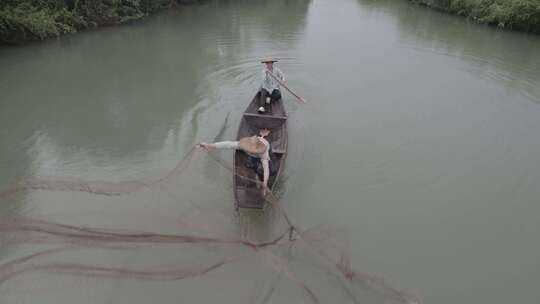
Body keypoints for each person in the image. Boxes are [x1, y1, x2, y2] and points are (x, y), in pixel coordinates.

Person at [196, 128, 273, 194]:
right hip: (254, 156)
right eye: (249, 150)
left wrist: (265, 183)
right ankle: (253, 162)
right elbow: (228, 144)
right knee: (251, 164)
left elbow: (266, 168)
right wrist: (209, 145)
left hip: (264, 152)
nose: (250, 151)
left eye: (252, 151)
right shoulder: (244, 145)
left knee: (266, 170)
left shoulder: (263, 152)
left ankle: (265, 176)